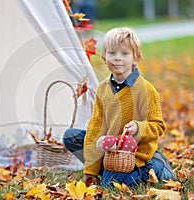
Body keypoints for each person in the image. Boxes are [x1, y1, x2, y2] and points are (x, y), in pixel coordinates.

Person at [63, 27, 176, 187]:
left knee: (109, 185)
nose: (117, 58)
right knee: (70, 137)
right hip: (110, 147)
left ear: (135, 58)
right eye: (112, 53)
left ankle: (155, 166)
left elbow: (157, 126)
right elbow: (96, 128)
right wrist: (90, 171)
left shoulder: (145, 89)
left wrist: (138, 128)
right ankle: (110, 168)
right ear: (104, 58)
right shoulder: (103, 89)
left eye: (124, 53)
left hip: (136, 152)